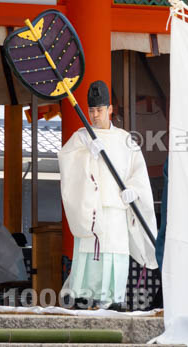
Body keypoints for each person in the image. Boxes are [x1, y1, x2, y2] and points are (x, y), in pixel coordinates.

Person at [59, 80, 157, 310]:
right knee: (90, 255)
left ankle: (113, 300)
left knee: (115, 253)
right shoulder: (82, 137)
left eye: (99, 110)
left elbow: (137, 172)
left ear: (110, 109)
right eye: (91, 110)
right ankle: (85, 300)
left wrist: (133, 190)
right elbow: (67, 163)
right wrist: (86, 155)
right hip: (91, 210)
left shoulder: (125, 139)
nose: (94, 115)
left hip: (116, 210)